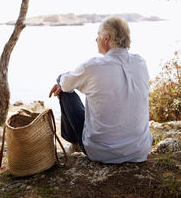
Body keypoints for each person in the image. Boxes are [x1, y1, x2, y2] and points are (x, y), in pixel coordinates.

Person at [49, 17, 152, 163]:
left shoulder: (92, 66)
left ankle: (75, 143)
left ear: (106, 38)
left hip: (101, 152)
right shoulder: (141, 62)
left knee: (64, 91)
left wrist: (60, 81)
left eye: (98, 35)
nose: (95, 39)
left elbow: (65, 83)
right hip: (139, 150)